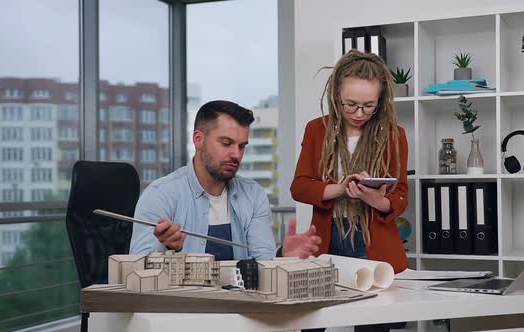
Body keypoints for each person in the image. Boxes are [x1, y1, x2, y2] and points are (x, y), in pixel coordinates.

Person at [290, 50, 409, 332]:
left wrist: (376, 199)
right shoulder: (317, 130)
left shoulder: (394, 134)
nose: (359, 114)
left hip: (373, 244)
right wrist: (340, 188)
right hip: (328, 237)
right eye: (350, 105)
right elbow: (300, 187)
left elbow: (401, 194)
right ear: (335, 96)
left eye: (369, 106)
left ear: (381, 101)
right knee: (314, 321)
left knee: (373, 323)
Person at [130, 100, 321, 261]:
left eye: (242, 146)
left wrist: (282, 256)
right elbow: (136, 271)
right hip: (185, 306)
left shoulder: (253, 195)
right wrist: (169, 249)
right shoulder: (160, 195)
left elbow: (262, 265)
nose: (236, 155)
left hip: (241, 304)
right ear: (198, 139)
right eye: (226, 143)